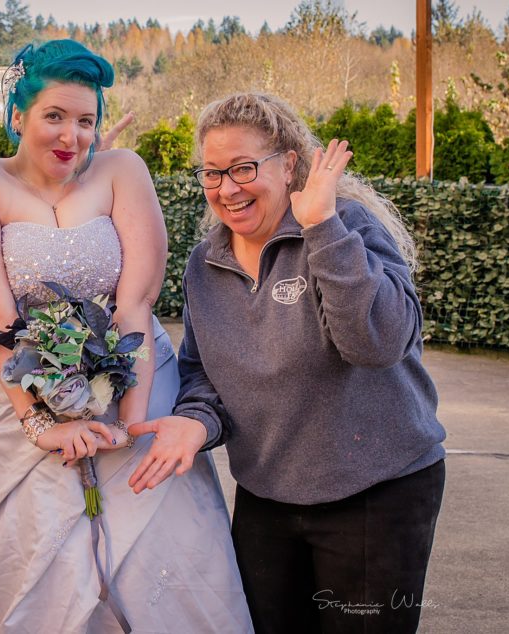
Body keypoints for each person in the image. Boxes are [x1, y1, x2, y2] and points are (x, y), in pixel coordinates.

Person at [0, 40, 253, 633]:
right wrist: (42, 423)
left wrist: (126, 425)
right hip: (16, 393)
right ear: (18, 116)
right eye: (55, 116)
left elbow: (134, 303)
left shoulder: (122, 170)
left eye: (86, 121)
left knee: (157, 549)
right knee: (21, 561)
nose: (72, 136)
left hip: (136, 379)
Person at [128, 92, 447, 633]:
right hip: (268, 496)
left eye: (243, 168)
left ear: (289, 164)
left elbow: (377, 343)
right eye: (212, 173)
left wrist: (321, 226)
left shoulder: (347, 226)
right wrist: (194, 421)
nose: (227, 188)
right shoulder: (206, 263)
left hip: (376, 492)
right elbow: (203, 370)